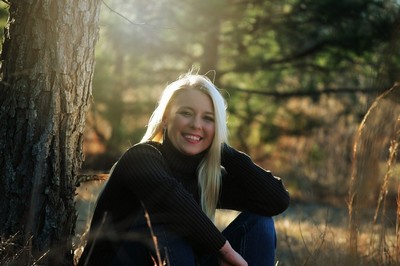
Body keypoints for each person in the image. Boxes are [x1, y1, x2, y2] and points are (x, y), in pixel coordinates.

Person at [78, 72, 290, 266]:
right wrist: (225, 251)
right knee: (171, 218)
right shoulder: (140, 158)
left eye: (208, 119)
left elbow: (275, 200)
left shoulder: (205, 175)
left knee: (260, 223)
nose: (196, 125)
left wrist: (221, 149)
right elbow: (171, 199)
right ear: (166, 118)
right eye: (186, 113)